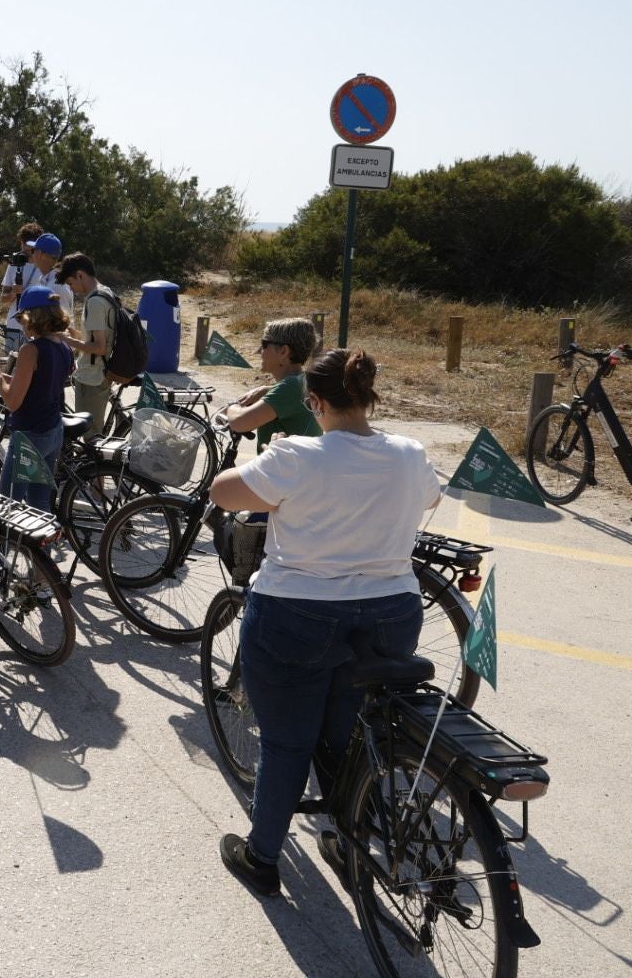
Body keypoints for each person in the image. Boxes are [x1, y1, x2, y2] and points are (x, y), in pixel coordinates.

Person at [209, 348, 442, 897]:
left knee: (288, 741)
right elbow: (429, 499)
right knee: (351, 732)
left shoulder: (297, 456)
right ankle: (348, 833)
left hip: (298, 611)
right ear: (368, 395)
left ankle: (263, 856)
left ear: (314, 401)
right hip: (391, 611)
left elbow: (224, 492)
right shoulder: (410, 452)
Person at [0, 285, 73, 512]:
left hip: (29, 435)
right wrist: (4, 377)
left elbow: (13, 403)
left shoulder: (30, 350)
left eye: (22, 317)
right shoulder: (63, 345)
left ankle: (4, 548)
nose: (21, 323)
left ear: (33, 316)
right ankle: (42, 548)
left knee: (7, 506)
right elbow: (44, 381)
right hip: (53, 430)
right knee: (39, 505)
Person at [223, 319, 323, 452]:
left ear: (283, 351)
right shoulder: (302, 380)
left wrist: (233, 404)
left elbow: (239, 422)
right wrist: (266, 390)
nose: (259, 351)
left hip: (284, 471)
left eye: (264, 344)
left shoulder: (290, 387)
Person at [58, 252, 115, 432]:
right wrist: (75, 334)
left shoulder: (95, 302)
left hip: (92, 377)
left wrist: (67, 340)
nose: (72, 288)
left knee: (90, 437)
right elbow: (96, 339)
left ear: (80, 275)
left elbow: (99, 347)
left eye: (71, 283)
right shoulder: (105, 292)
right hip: (99, 373)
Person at [1, 230, 72, 351]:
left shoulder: (56, 287)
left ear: (42, 254)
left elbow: (60, 328)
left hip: (51, 351)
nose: (30, 254)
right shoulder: (45, 280)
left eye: (33, 251)